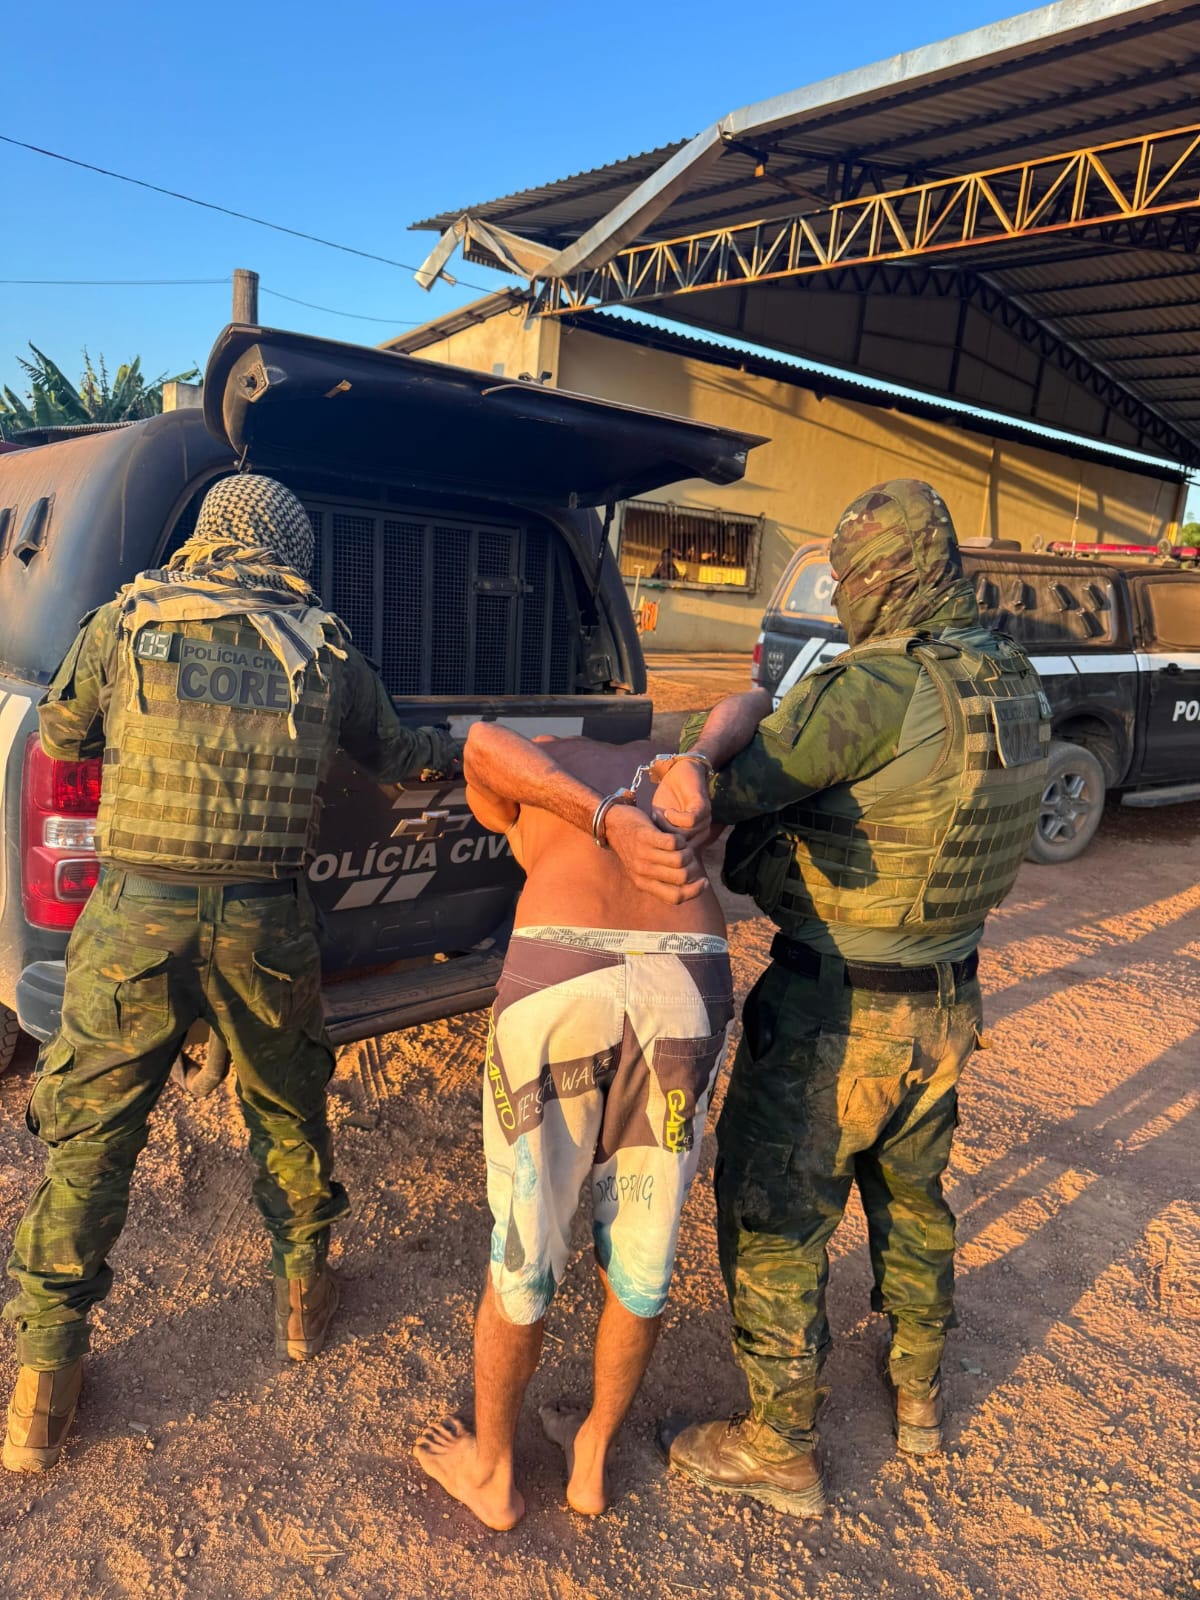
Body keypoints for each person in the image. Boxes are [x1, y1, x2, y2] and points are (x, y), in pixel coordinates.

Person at [3, 474, 462, 1473]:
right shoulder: (324, 647)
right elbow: (401, 756)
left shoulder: (127, 622)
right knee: (287, 1112)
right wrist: (476, 751)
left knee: (91, 1143)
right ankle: (302, 1300)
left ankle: (43, 1389)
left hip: (134, 924)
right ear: (289, 548)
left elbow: (63, 733)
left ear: (208, 535)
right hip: (264, 926)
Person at [652, 480, 1049, 1517]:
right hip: (947, 997)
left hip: (839, 1009)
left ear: (888, 574)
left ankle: (779, 1445)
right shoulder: (1006, 677)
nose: (843, 595)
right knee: (912, 1198)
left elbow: (732, 782)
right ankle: (919, 1394)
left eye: (851, 575)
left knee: (776, 1213)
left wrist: (696, 738)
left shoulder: (880, 686)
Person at [415, 727, 729, 1529]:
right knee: (643, 1251)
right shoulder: (678, 770)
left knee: (527, 1241)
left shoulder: (541, 769)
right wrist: (699, 757)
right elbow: (755, 699)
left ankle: (493, 1474)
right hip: (686, 974)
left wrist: (592, 815)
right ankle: (590, 1458)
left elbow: (481, 745)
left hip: (562, 968)